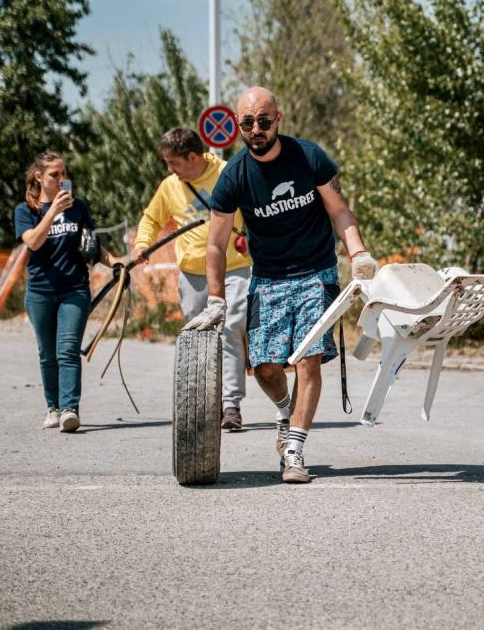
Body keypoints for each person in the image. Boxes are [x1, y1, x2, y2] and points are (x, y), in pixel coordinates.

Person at [185, 86, 378, 484]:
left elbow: (340, 211)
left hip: (316, 271)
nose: (256, 129)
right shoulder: (234, 176)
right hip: (268, 276)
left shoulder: (308, 156)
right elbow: (217, 245)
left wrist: (358, 253)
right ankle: (284, 408)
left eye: (263, 120)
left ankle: (294, 450)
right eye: (248, 123)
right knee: (267, 368)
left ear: (279, 119)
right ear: (240, 125)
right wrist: (217, 300)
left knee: (307, 359)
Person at [131, 127, 251, 431]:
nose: (170, 169)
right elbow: (151, 218)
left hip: (234, 267)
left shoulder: (228, 172)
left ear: (193, 156)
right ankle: (201, 404)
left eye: (174, 163)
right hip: (193, 274)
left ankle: (230, 405)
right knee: (197, 338)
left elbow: (255, 207)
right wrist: (142, 243)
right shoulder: (170, 186)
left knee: (232, 328)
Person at [15, 151, 120, 433]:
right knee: (47, 354)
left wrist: (115, 262)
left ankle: (70, 409)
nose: (62, 180)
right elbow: (33, 243)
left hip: (74, 289)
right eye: (55, 175)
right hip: (40, 292)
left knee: (68, 350)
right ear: (39, 177)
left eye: (64, 174)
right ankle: (53, 407)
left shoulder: (79, 207)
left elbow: (92, 246)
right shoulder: (25, 211)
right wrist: (52, 212)